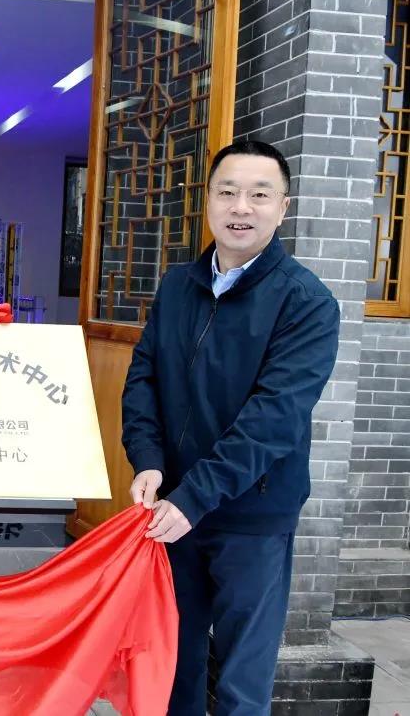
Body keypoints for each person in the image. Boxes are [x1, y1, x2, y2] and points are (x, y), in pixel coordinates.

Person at [121, 140, 340, 715]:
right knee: (174, 665)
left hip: (251, 517)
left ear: (282, 208)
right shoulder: (177, 286)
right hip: (174, 513)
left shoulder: (306, 302)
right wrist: (148, 460)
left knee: (243, 679)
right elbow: (143, 378)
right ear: (209, 200)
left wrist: (194, 496)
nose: (241, 207)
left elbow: (274, 419)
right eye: (228, 191)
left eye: (259, 195)